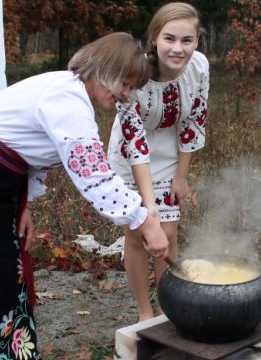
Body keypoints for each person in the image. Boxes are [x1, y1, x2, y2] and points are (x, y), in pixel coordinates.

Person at [0, 32, 169, 360]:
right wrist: (144, 220)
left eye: (133, 88)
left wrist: (27, 204)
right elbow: (94, 175)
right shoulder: (67, 98)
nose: (126, 94)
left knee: (10, 271)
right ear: (104, 68)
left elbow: (35, 151)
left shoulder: (72, 94)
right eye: (126, 83)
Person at [108, 2, 208, 322]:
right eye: (169, 38)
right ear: (154, 37)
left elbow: (194, 122)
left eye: (187, 40)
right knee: (140, 234)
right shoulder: (132, 76)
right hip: (129, 154)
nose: (177, 49)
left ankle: (166, 306)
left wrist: (181, 178)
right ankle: (144, 311)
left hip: (168, 151)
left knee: (169, 233)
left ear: (197, 41)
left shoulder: (200, 68)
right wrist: (148, 206)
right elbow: (136, 143)